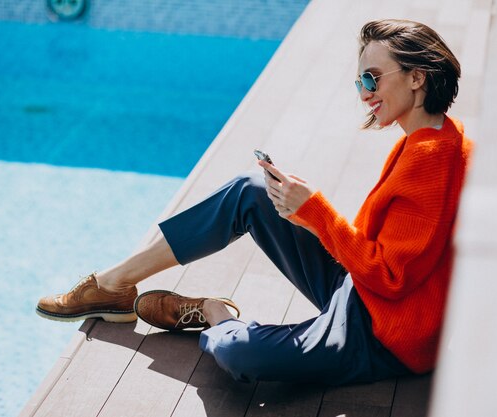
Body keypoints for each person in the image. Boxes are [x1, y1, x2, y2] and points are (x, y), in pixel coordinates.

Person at [37, 19, 473, 385]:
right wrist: (304, 213)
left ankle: (212, 312)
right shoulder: (441, 138)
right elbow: (395, 260)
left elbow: (391, 277)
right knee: (253, 188)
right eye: (360, 80)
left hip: (381, 337)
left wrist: (315, 213)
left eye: (372, 78)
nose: (363, 92)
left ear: (417, 77)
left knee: (239, 354)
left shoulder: (428, 159)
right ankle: (112, 285)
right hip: (367, 297)